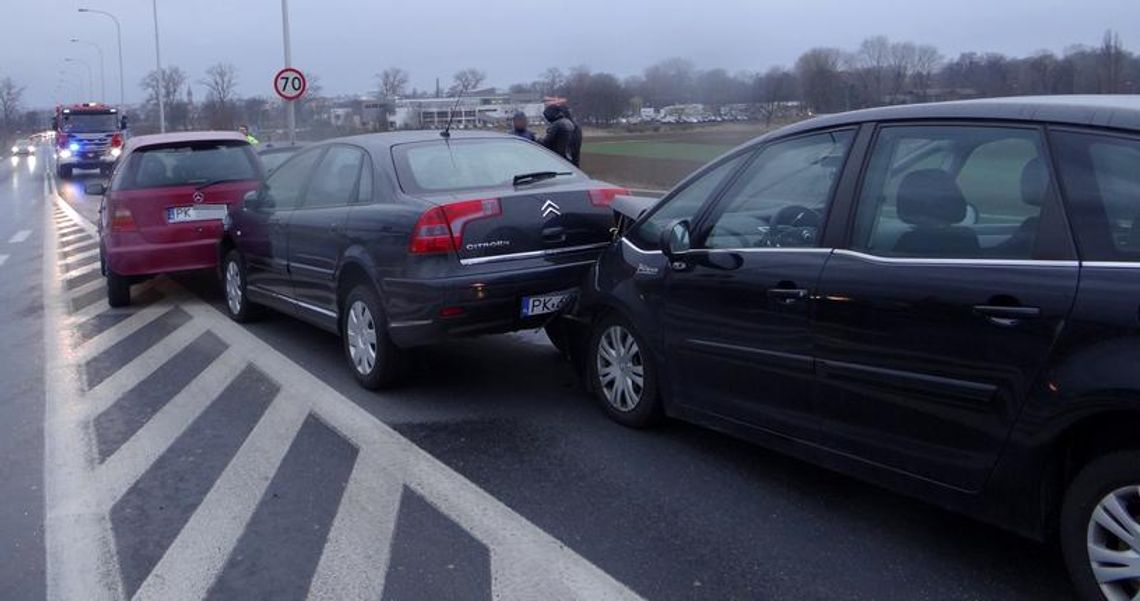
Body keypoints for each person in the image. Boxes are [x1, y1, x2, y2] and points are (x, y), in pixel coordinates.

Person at [539, 102, 582, 166]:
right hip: (572, 160)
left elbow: (546, 142)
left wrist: (536, 140)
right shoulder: (574, 125)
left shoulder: (557, 125)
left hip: (560, 160)